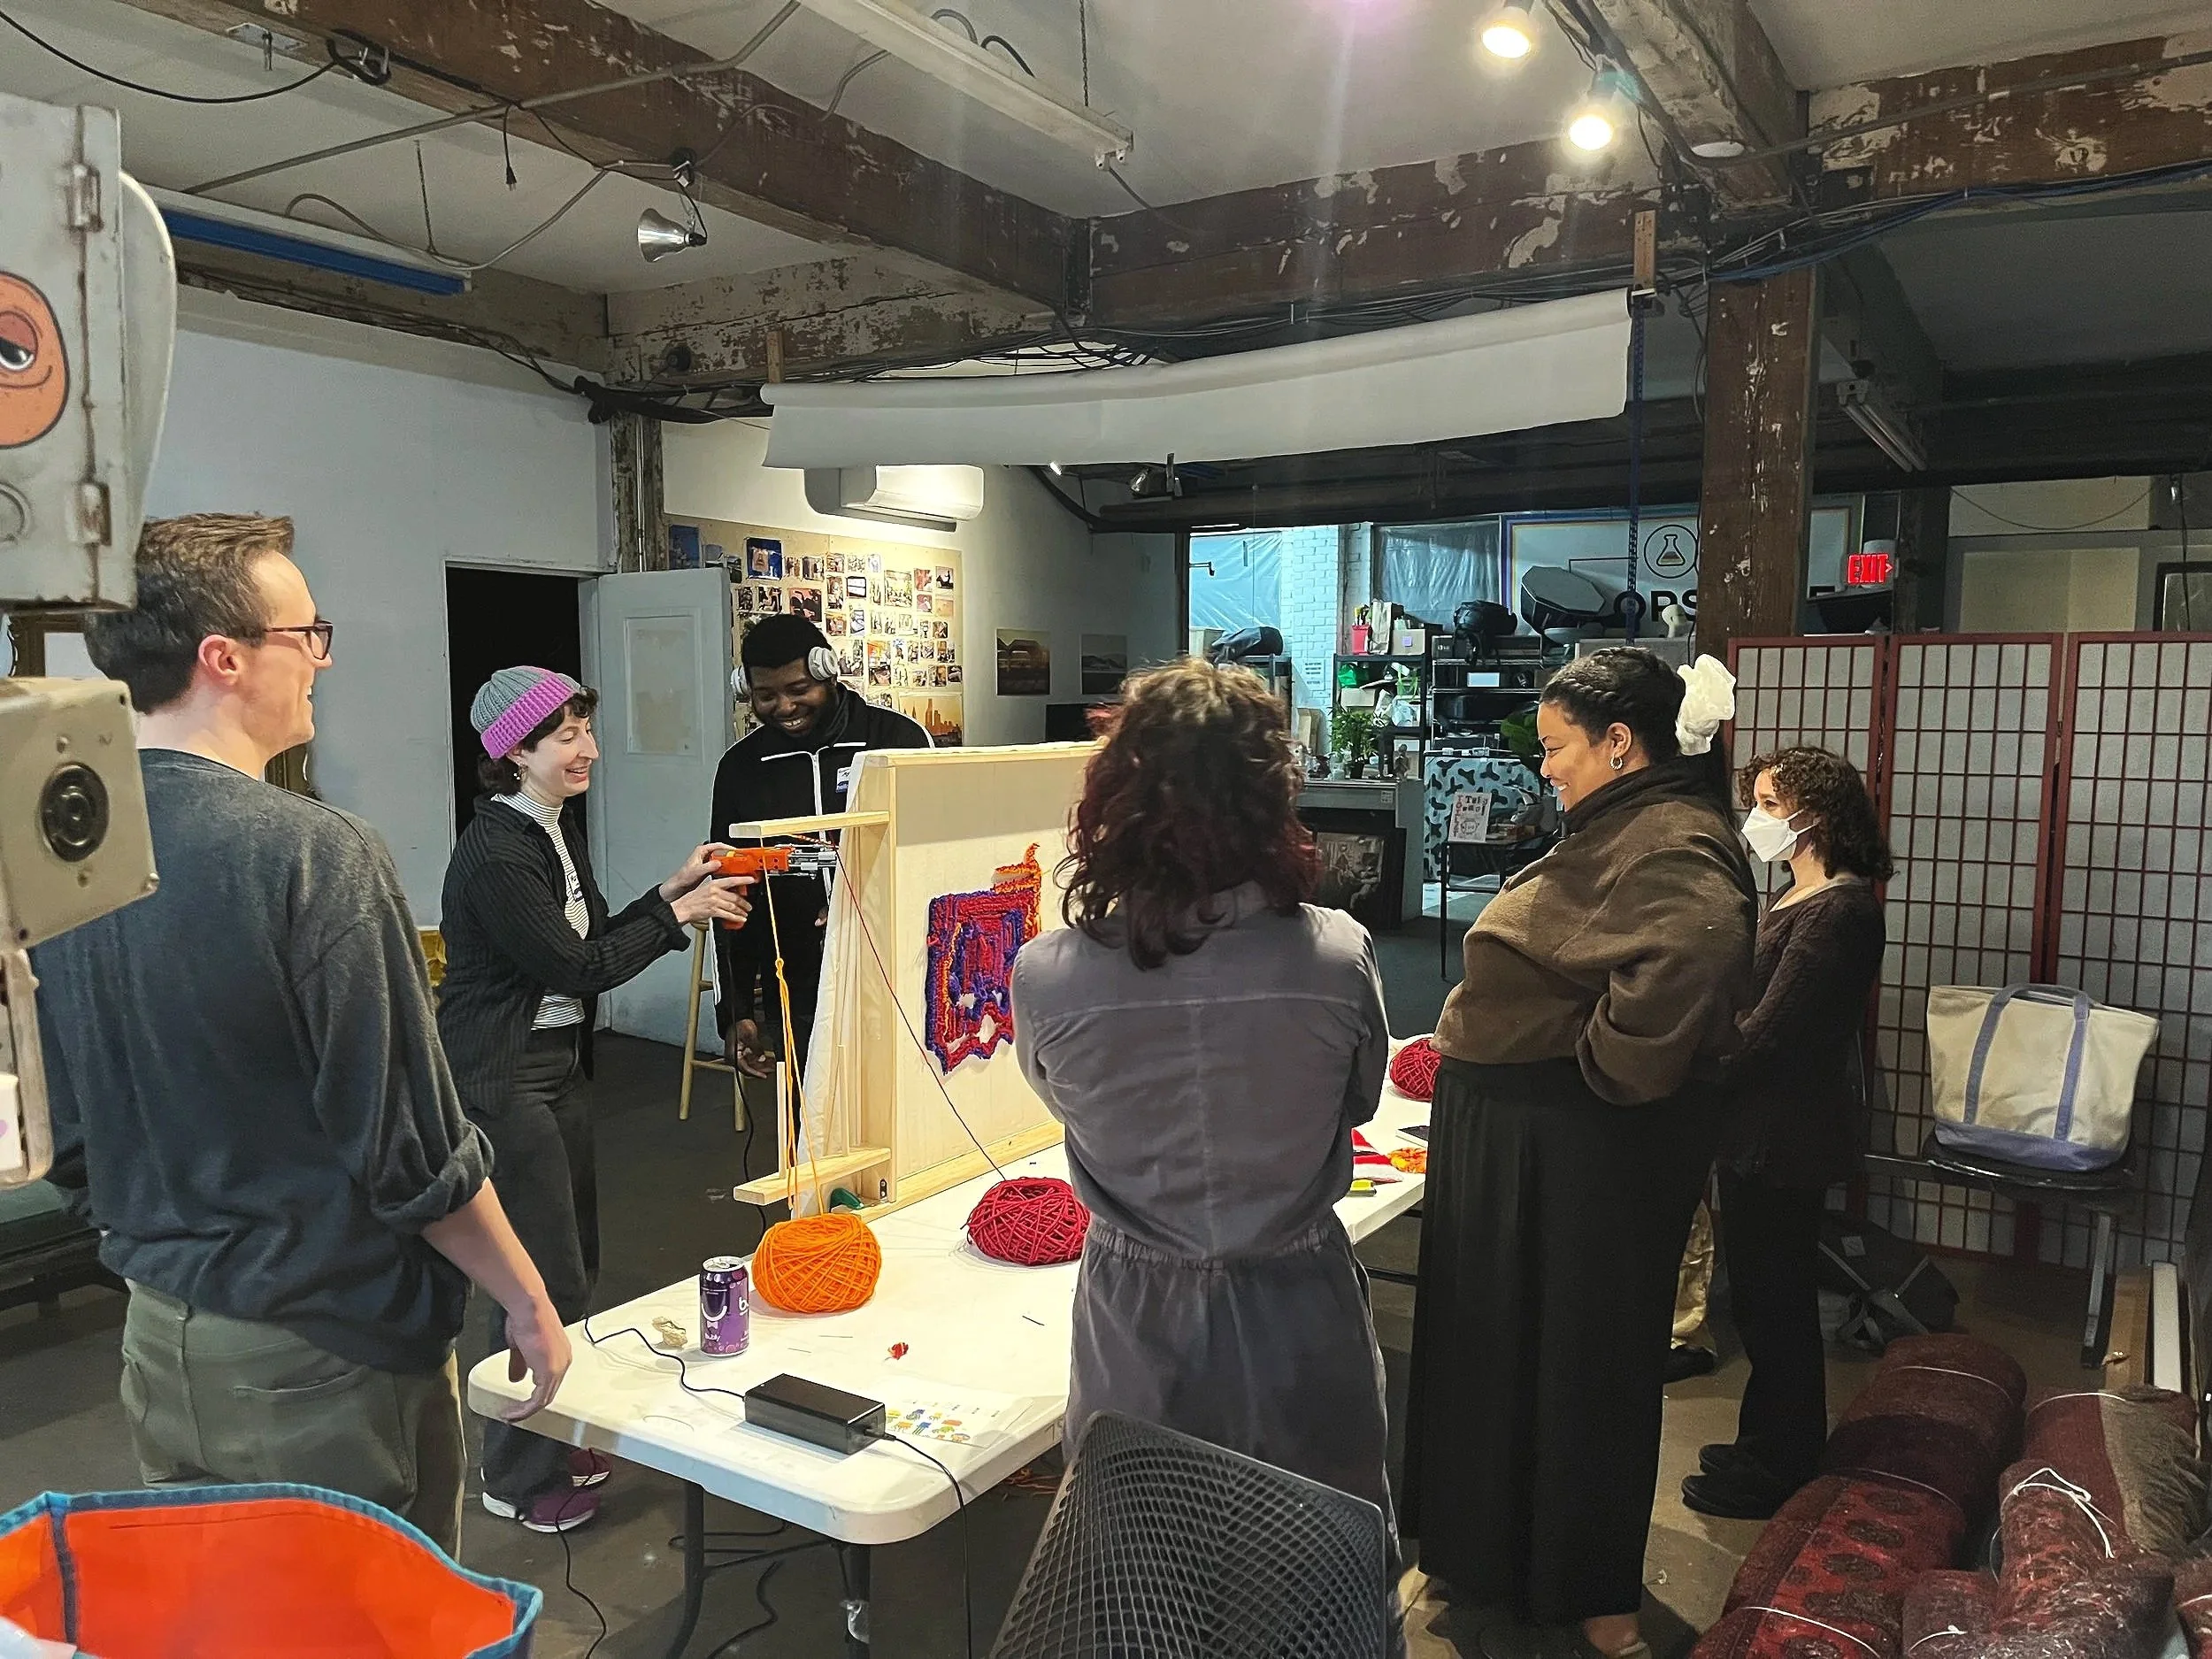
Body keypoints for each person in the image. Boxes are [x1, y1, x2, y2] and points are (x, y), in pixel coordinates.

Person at [33, 514, 568, 1558]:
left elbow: (57, 1116)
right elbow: (411, 1149)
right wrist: (526, 1296)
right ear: (223, 659)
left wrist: (158, 1235)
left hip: (159, 1329)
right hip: (322, 1348)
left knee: (222, 1616)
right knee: (367, 1619)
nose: (321, 660)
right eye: (306, 633)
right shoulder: (311, 853)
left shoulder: (59, 845)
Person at [1405, 647, 1757, 1659]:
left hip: (1572, 1148)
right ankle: (1503, 1560)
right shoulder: (1626, 823)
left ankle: (1587, 1584)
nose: (1545, 767)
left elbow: (1697, 948)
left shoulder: (1672, 839)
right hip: (1530, 1138)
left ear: (1618, 742)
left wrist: (1598, 1070)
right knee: (1508, 1357)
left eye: (1558, 748)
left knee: (1580, 1369)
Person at [1011, 661, 1396, 1535]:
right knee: (1317, 1572)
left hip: (1135, 1323)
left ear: (1114, 794)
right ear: (1271, 797)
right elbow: (1360, 1100)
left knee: (1146, 1579)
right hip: (1300, 1302)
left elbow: (1058, 1099)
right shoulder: (1335, 954)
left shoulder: (1049, 973)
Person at [438, 667, 751, 1532]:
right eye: (567, 735)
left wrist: (670, 892)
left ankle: (549, 1427)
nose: (588, 750)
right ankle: (514, 1473)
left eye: (585, 730)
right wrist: (682, 919)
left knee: (573, 1258)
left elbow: (593, 939)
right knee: (535, 1279)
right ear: (515, 751)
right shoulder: (500, 850)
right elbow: (577, 970)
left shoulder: (550, 830)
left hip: (554, 1066)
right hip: (500, 1077)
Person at [1681, 747, 1891, 1521]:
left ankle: (1779, 1465)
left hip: (1784, 1137)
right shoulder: (1801, 893)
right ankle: (1763, 1442)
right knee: (1767, 1302)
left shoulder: (1838, 909)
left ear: (1816, 816)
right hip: (1762, 1131)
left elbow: (1765, 1034)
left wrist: (1690, 1052)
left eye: (1771, 804)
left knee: (1777, 1307)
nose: (1758, 819)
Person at [709, 615, 930, 1081]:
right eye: (766, 696)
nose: (785, 706)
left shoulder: (900, 742)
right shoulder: (741, 769)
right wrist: (737, 1010)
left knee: (902, 1112)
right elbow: (730, 892)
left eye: (798, 689)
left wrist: (868, 901)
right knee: (811, 1123)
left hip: (902, 967)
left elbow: (937, 859)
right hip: (797, 981)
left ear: (827, 671)